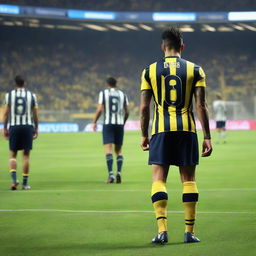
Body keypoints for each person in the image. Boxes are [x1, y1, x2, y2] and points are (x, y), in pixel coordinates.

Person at [140, 27, 212, 244]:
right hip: (187, 129)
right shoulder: (196, 69)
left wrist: (144, 134)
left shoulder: (149, 71)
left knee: (158, 179)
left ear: (163, 47)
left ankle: (162, 231)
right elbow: (201, 105)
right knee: (188, 180)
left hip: (161, 130)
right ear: (182, 46)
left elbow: (144, 107)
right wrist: (207, 136)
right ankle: (189, 233)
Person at [2, 75, 39, 190]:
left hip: (14, 126)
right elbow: (35, 114)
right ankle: (25, 184)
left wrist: (4, 128)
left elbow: (5, 114)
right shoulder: (32, 96)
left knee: (13, 155)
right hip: (27, 126)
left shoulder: (9, 96)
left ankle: (14, 181)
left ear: (15, 83)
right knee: (26, 156)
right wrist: (36, 128)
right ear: (25, 83)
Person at [92, 77, 129, 183]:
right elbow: (127, 111)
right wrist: (123, 122)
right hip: (119, 124)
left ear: (107, 84)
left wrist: (94, 121)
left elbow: (100, 109)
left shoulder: (103, 93)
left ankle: (111, 175)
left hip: (108, 124)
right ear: (116, 84)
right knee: (118, 151)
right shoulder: (123, 94)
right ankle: (119, 173)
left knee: (108, 149)